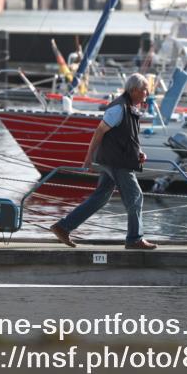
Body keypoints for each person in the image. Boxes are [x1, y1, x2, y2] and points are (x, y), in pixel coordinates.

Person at [48, 73, 157, 250]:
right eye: (145, 90)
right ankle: (134, 239)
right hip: (117, 163)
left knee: (100, 198)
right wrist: (88, 157)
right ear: (135, 90)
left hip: (113, 161)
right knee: (136, 197)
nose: (147, 94)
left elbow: (127, 138)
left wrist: (140, 153)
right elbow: (99, 132)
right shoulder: (118, 109)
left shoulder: (127, 107)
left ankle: (63, 227)